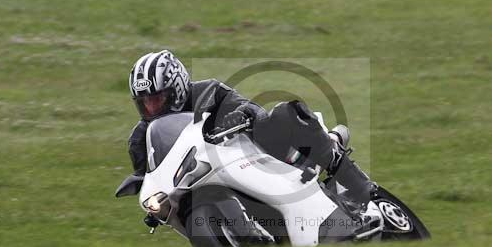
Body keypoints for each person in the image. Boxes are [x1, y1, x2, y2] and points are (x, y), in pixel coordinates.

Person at [126, 50, 376, 208]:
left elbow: (252, 109)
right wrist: (138, 182)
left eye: (157, 99)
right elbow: (149, 173)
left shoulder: (209, 92)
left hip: (250, 155)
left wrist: (242, 115)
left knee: (285, 113)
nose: (151, 108)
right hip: (204, 179)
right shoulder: (141, 137)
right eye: (144, 103)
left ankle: (354, 181)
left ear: (177, 88)